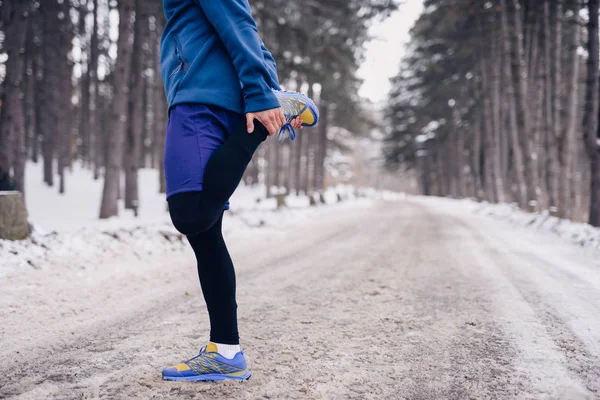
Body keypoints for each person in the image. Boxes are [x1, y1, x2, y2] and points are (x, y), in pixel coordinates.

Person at [159, 0, 317, 382]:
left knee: (191, 215)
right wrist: (266, 85)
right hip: (206, 94)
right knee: (205, 234)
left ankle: (267, 122)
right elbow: (246, 30)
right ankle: (225, 353)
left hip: (201, 99)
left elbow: (238, 25)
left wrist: (263, 97)